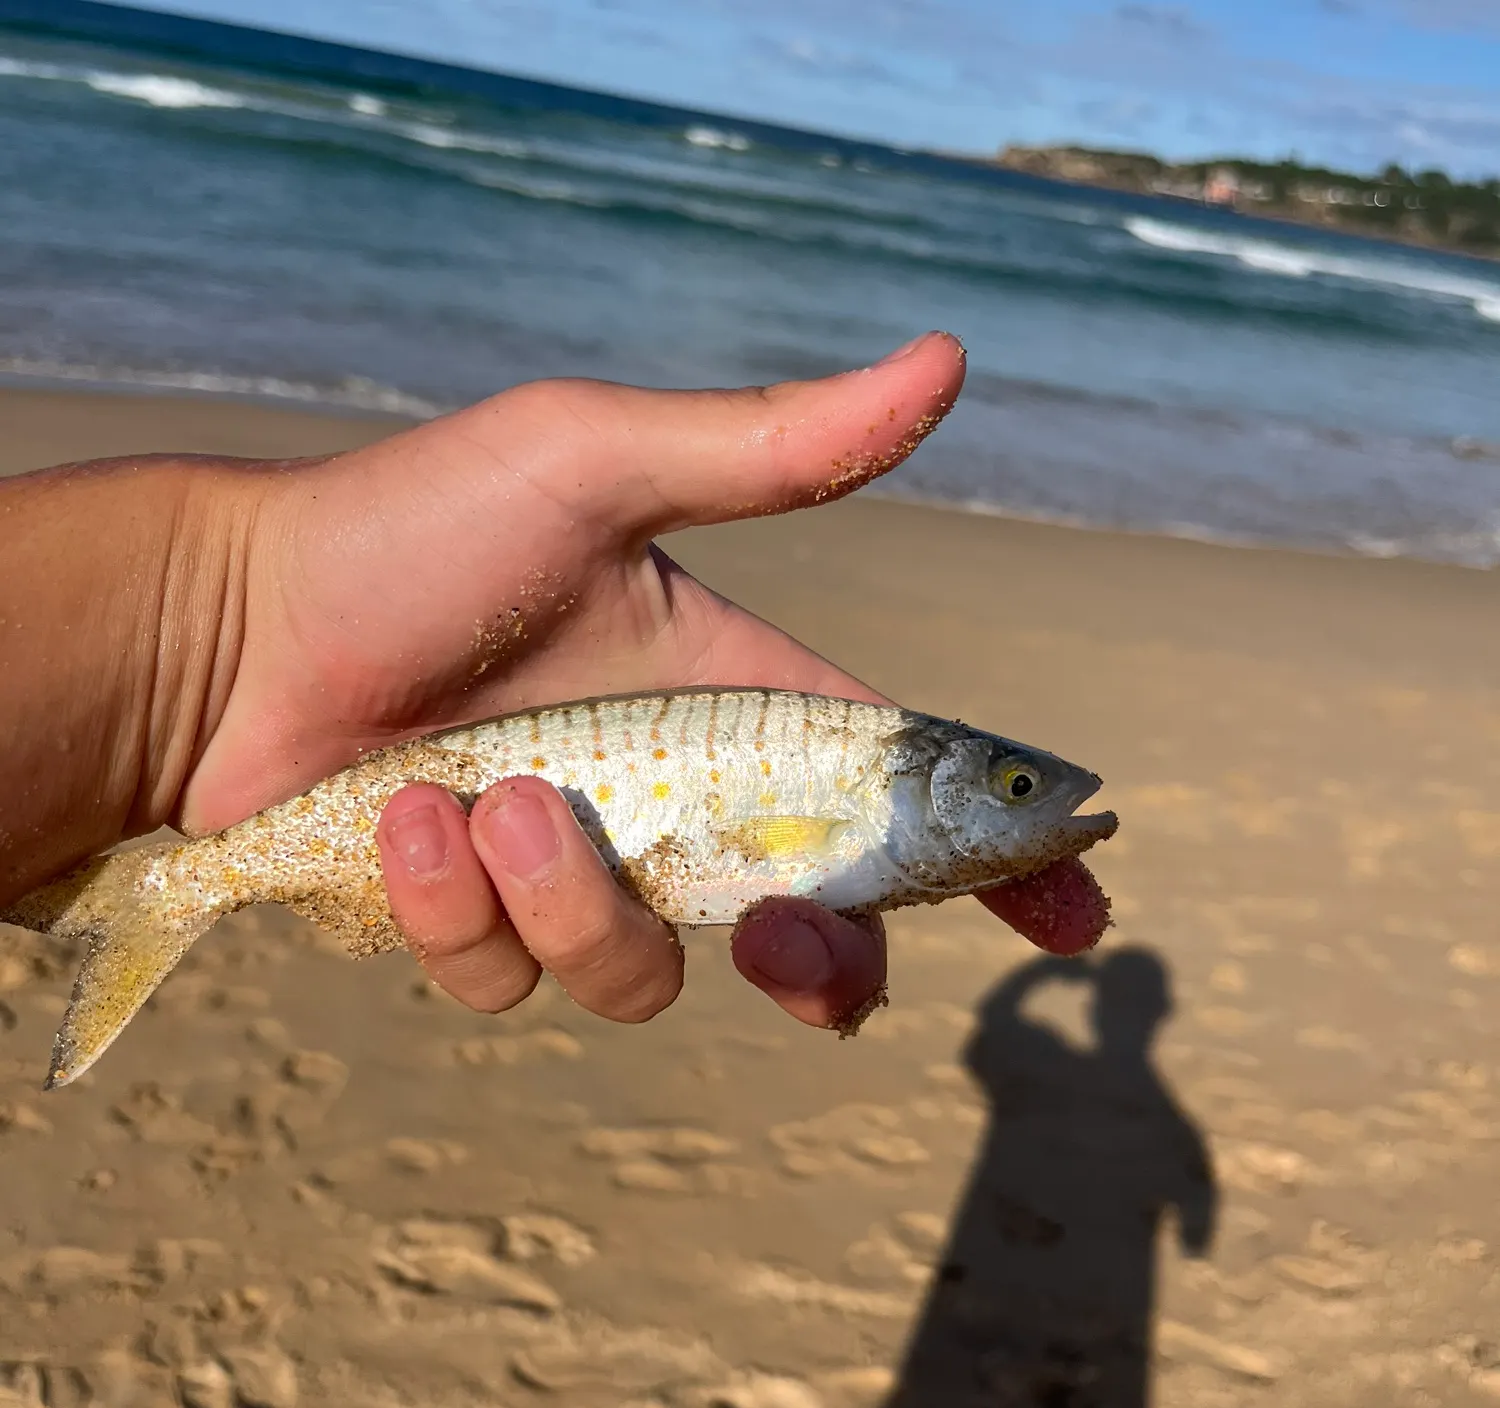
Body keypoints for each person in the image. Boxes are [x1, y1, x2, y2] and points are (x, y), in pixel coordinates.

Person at [0, 332, 1108, 1034]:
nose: (1039, 794)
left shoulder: (868, 774)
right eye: (1014, 786)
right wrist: (227, 617)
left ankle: (163, 898)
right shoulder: (865, 771)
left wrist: (220, 628)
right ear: (931, 782)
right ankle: (156, 902)